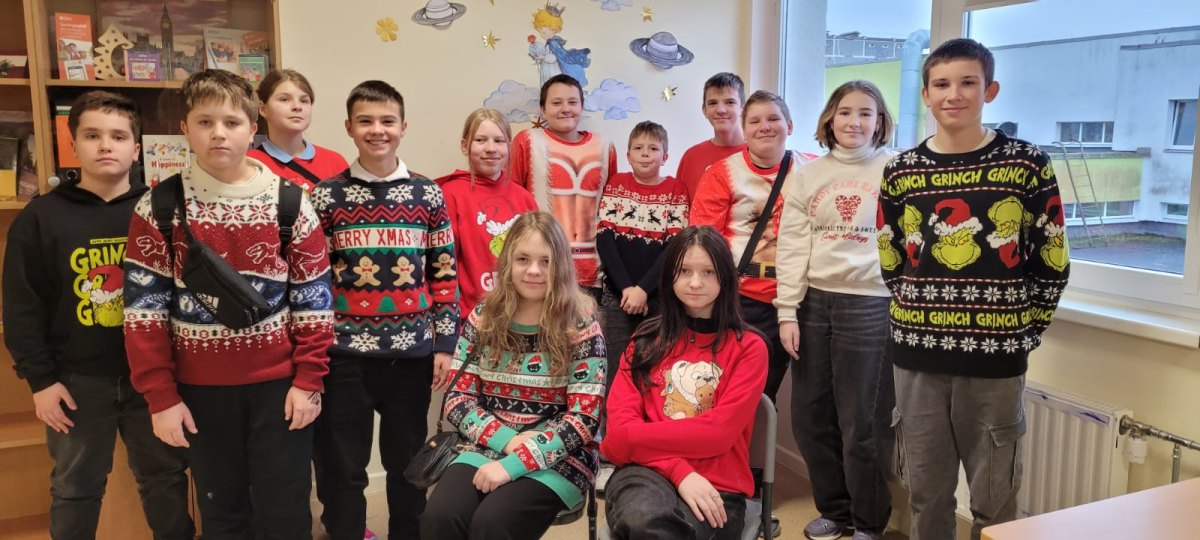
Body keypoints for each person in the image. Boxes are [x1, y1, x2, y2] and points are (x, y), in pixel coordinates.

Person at [123, 69, 334, 539]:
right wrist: (161, 397)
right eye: (205, 122)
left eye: (232, 122)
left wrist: (308, 381)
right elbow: (143, 314)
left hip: (280, 390)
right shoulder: (159, 207)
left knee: (286, 511)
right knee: (221, 512)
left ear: (252, 127)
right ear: (185, 128)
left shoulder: (291, 203)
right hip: (198, 393)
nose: (218, 133)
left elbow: (314, 303)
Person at [877, 38, 1070, 540]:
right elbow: (890, 253)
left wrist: (1021, 331)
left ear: (990, 90)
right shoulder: (901, 170)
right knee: (927, 496)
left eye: (968, 82)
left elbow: (1051, 257)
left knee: (995, 500)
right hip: (917, 355)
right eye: (941, 84)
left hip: (996, 358)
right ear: (925, 94)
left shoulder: (1026, 164)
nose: (954, 94)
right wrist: (919, 309)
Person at [3, 91, 194, 540]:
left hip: (154, 378)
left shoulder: (162, 213)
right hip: (76, 382)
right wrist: (41, 382)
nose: (106, 145)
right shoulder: (41, 217)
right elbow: (22, 305)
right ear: (73, 144)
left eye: (118, 136)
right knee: (75, 487)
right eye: (92, 135)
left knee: (165, 480)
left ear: (136, 148)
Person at [309, 80, 460, 540]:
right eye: (366, 121)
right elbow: (314, 280)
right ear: (349, 128)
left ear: (403, 127)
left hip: (411, 356)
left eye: (387, 121)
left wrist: (445, 344)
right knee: (342, 468)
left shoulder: (427, 194)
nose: (378, 130)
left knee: (408, 466)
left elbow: (444, 273)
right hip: (344, 357)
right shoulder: (325, 196)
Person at [420, 211, 606, 540]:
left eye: (546, 261)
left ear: (561, 266)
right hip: (486, 444)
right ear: (507, 262)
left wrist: (515, 462)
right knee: (439, 518)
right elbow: (458, 399)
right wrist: (507, 441)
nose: (533, 270)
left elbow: (583, 420)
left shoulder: (580, 325)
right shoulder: (484, 317)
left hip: (560, 457)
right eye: (523, 259)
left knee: (492, 525)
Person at [774, 80, 898, 540]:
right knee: (810, 417)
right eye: (846, 112)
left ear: (879, 121)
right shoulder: (808, 175)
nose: (854, 122)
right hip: (813, 304)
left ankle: (869, 521)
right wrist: (787, 311)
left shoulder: (894, 170)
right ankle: (836, 510)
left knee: (861, 422)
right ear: (830, 118)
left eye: (866, 113)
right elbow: (792, 245)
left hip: (871, 304)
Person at [602, 225, 767, 540]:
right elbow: (617, 435)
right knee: (644, 522)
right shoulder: (644, 341)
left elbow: (717, 434)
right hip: (644, 475)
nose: (695, 282)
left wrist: (635, 438)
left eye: (708, 272)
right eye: (684, 271)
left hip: (718, 485)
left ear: (726, 277)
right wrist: (678, 471)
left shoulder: (749, 348)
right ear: (670, 276)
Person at [689, 90, 814, 402]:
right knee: (731, 392)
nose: (765, 127)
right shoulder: (722, 174)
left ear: (790, 125)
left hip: (802, 298)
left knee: (785, 396)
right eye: (755, 121)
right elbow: (704, 244)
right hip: (743, 300)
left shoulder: (813, 170)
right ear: (744, 130)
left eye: (773, 119)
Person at [596, 120, 689, 396]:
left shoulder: (676, 190)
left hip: (658, 298)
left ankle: (649, 422)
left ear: (665, 156)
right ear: (628, 155)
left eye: (653, 148)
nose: (645, 153)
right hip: (618, 296)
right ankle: (614, 424)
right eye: (638, 148)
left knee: (654, 369)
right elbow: (605, 240)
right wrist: (627, 288)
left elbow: (673, 247)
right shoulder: (617, 184)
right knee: (615, 370)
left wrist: (643, 290)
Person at [509, 73, 617, 298]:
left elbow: (612, 208)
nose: (565, 109)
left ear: (582, 106)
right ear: (543, 109)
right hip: (539, 270)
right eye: (556, 103)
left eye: (572, 102)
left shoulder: (604, 146)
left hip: (591, 273)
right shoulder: (527, 141)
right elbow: (511, 202)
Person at [437, 107, 538, 317]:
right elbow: (443, 263)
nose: (491, 148)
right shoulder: (451, 194)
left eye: (499, 141)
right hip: (472, 317)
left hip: (520, 315)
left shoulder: (524, 197)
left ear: (509, 146)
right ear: (465, 145)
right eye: (481, 140)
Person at [247, 68, 349, 191]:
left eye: (304, 101)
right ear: (263, 109)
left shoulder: (335, 162)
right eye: (284, 99)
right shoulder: (248, 163)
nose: (297, 106)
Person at [675, 73, 748, 200]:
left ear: (743, 108)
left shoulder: (758, 155)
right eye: (713, 103)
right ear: (704, 110)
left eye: (730, 102)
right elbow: (680, 207)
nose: (720, 110)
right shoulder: (691, 157)